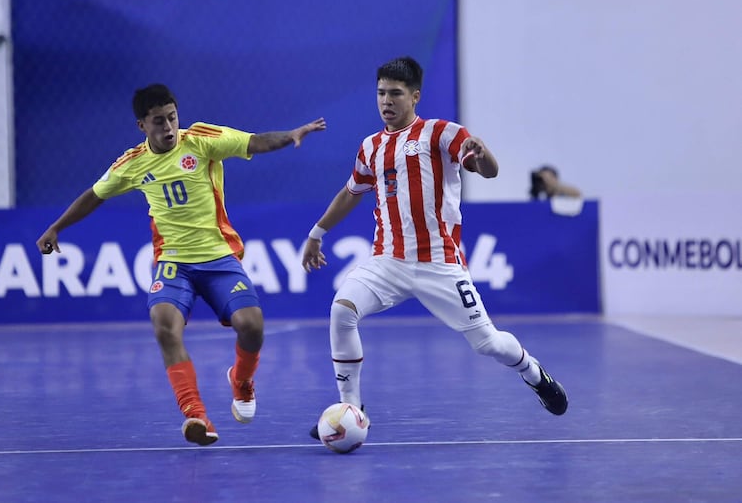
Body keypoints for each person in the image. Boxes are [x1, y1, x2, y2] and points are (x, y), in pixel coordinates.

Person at [36, 83, 326, 446]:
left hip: (219, 258)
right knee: (164, 326)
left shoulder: (201, 140)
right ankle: (196, 415)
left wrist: (291, 135)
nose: (169, 127)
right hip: (174, 263)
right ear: (142, 126)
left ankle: (241, 380)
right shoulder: (131, 164)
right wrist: (56, 227)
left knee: (251, 326)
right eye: (159, 122)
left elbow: (253, 142)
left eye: (172, 117)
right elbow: (94, 196)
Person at [301, 57, 567, 439]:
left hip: (439, 264)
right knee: (342, 311)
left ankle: (533, 373)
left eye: (395, 93)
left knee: (488, 343)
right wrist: (317, 232)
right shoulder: (370, 147)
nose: (386, 101)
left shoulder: (442, 134)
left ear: (415, 96)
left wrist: (484, 153)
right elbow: (351, 192)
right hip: (386, 262)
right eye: (380, 93)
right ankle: (352, 409)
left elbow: (488, 170)